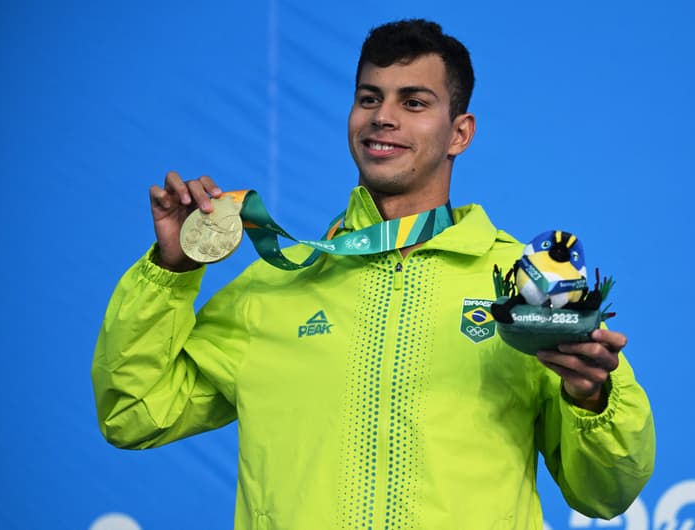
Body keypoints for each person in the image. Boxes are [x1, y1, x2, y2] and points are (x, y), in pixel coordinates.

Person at [93, 19, 655, 530]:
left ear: (460, 133)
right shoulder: (274, 288)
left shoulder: (522, 288)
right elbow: (135, 413)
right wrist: (170, 271)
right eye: (369, 99)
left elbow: (606, 494)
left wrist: (593, 398)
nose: (382, 116)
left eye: (413, 102)